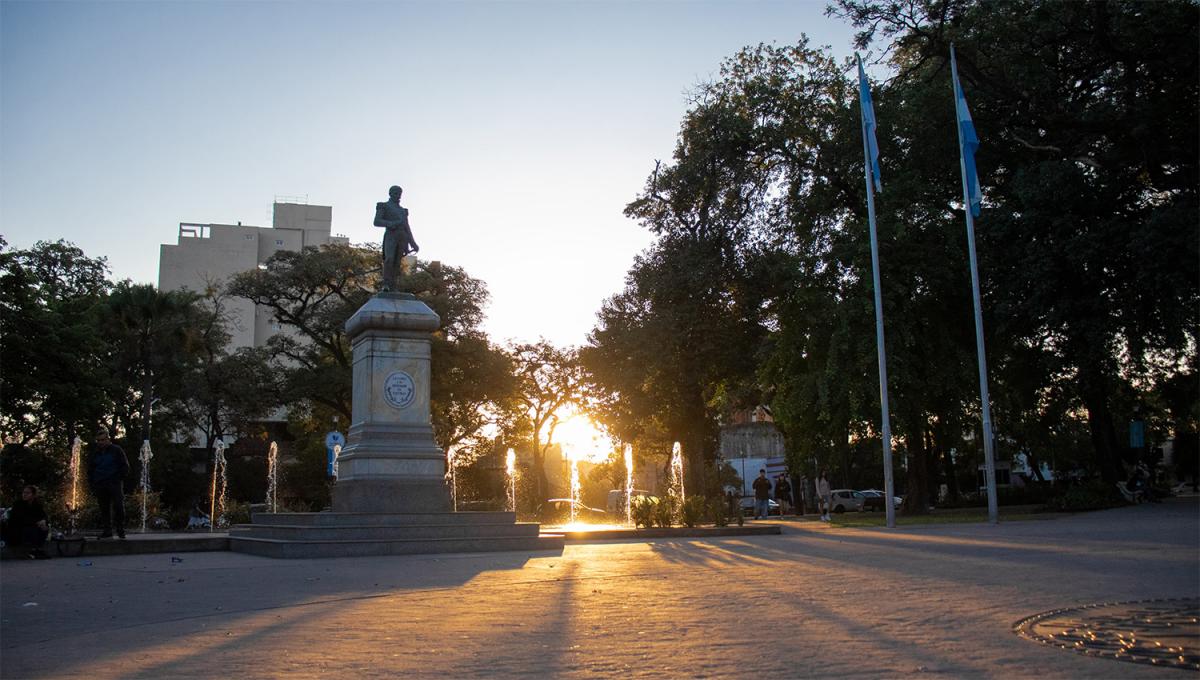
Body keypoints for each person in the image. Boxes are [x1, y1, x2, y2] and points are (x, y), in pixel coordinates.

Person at [374, 185, 420, 292]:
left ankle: (394, 285)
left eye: (399, 193)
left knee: (397, 262)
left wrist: (413, 242)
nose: (398, 195)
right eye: (395, 193)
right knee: (389, 259)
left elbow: (407, 227)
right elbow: (377, 221)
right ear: (390, 193)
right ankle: (386, 284)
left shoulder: (403, 210)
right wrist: (391, 224)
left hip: (402, 236)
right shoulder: (383, 206)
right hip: (391, 235)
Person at [88, 427, 130, 539]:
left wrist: (119, 477)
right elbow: (91, 468)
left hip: (114, 482)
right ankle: (107, 530)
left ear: (108, 439)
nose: (100, 442)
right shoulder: (95, 453)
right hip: (100, 483)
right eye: (99, 440)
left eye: (102, 440)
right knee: (104, 508)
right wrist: (93, 482)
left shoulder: (116, 450)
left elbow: (124, 466)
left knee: (118, 506)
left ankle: (120, 529)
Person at [4, 485, 51, 558]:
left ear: (33, 495)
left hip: (31, 525)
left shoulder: (37, 504)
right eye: (24, 492)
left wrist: (43, 521)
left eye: (27, 493)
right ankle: (34, 550)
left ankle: (37, 549)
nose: (24, 494)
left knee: (45, 528)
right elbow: (21, 519)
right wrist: (37, 522)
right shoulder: (18, 504)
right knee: (33, 529)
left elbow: (43, 515)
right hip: (18, 528)